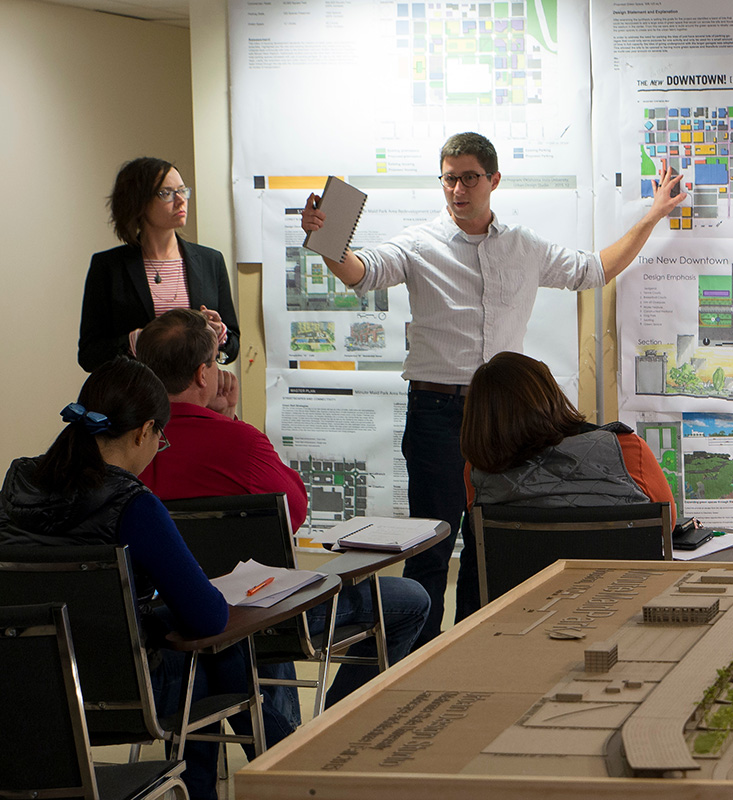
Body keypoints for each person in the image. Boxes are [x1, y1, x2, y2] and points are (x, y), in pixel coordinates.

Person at [300, 132, 685, 644]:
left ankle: (474, 650)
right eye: (449, 178)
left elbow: (595, 269)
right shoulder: (418, 244)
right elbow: (360, 272)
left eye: (468, 177)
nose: (457, 189)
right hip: (438, 413)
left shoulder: (522, 246)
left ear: (493, 180)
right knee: (431, 548)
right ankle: (419, 663)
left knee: (492, 544)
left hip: (506, 418)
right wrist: (327, 243)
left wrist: (654, 214)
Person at [0, 358, 277, 800]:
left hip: (24, 687)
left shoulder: (18, 482)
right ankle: (285, 773)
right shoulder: (134, 505)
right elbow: (206, 617)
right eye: (160, 438)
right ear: (142, 432)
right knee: (224, 658)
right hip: (120, 695)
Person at [137, 308, 430, 706]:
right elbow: (293, 514)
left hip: (169, 620)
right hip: (256, 615)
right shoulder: (240, 444)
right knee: (411, 599)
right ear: (202, 375)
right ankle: (332, 721)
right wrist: (230, 421)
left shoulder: (133, 445)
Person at [460, 351, 676, 526]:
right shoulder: (626, 448)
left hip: (526, 581)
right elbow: (668, 522)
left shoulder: (479, 471)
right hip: (624, 579)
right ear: (551, 397)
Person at [78, 157, 239, 372]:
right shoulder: (108, 267)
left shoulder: (211, 261)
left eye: (183, 190)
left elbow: (233, 348)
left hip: (198, 397)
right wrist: (134, 341)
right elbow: (89, 356)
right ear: (139, 203)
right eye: (167, 193)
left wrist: (220, 335)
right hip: (137, 399)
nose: (181, 200)